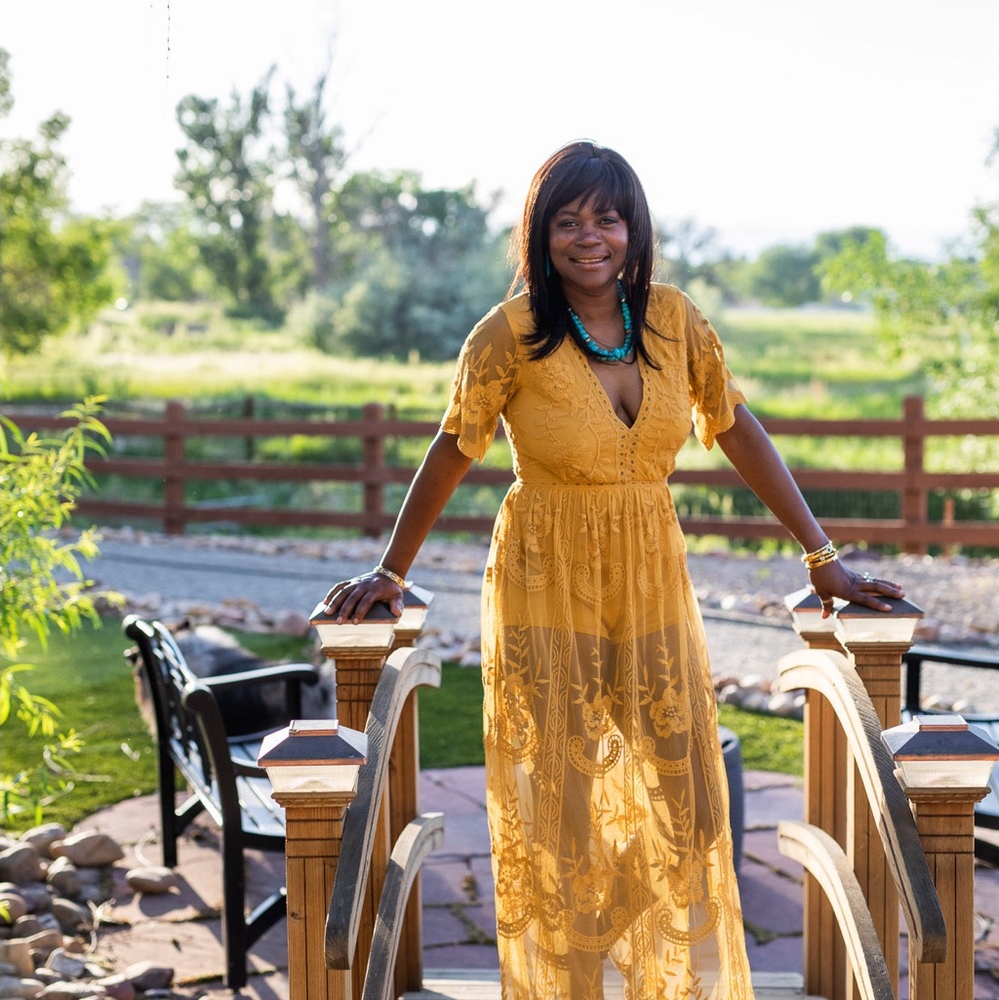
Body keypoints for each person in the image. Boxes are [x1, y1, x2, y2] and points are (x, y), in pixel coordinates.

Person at [323, 141, 904, 999]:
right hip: (542, 575)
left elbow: (736, 428)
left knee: (690, 800)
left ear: (633, 229)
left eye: (607, 216)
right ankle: (571, 985)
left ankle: (656, 973)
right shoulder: (508, 336)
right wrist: (389, 569)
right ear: (540, 235)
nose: (589, 236)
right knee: (561, 810)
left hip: (649, 570)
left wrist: (824, 558)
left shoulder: (674, 319)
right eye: (568, 220)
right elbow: (454, 448)